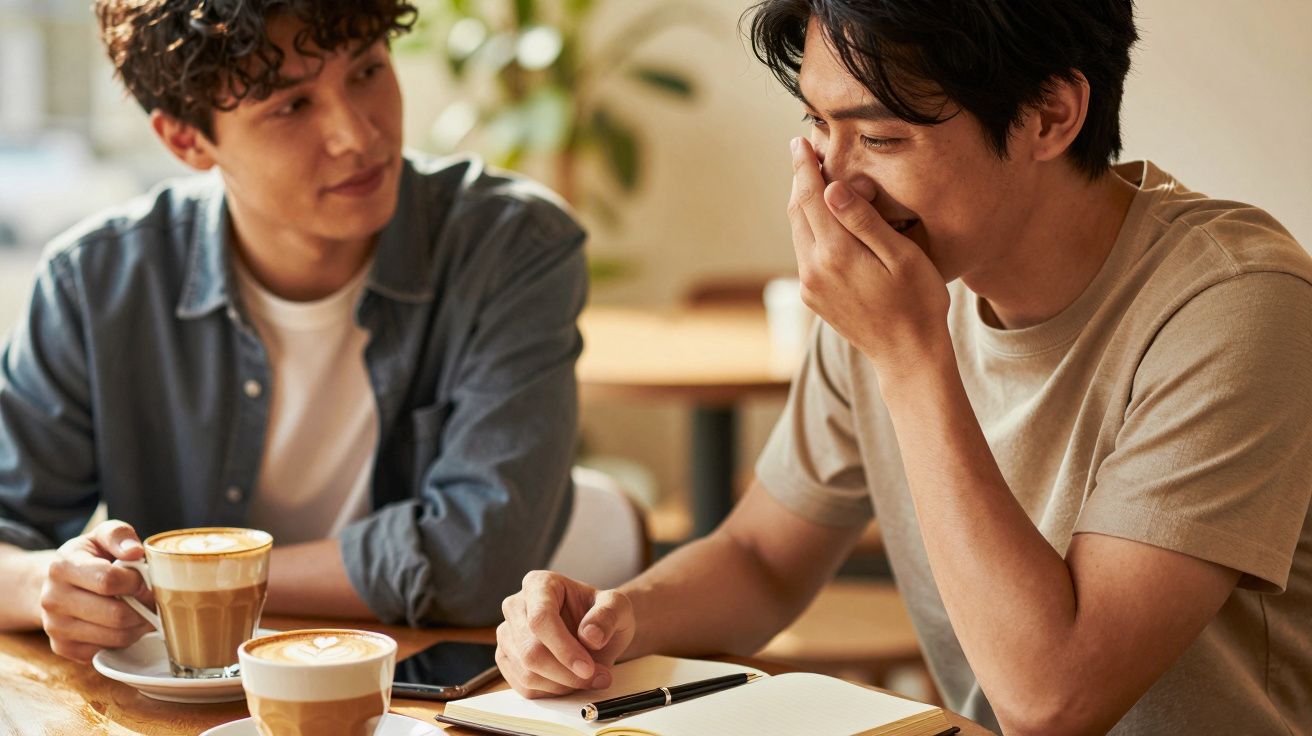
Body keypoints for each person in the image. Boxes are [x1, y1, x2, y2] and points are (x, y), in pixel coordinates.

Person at [494, 1, 1312, 733]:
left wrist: (910, 354)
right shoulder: (901, 270)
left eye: (880, 137)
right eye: (818, 125)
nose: (834, 186)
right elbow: (762, 559)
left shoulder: (1239, 302)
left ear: (1050, 115)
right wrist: (613, 622)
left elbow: (1056, 700)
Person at [0, 0, 586, 662]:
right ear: (185, 141)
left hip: (412, 700)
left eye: (366, 71)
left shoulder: (512, 249)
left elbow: (478, 559)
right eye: (291, 106)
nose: (358, 135)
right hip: (182, 708)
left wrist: (191, 585)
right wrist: (42, 583)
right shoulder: (96, 282)